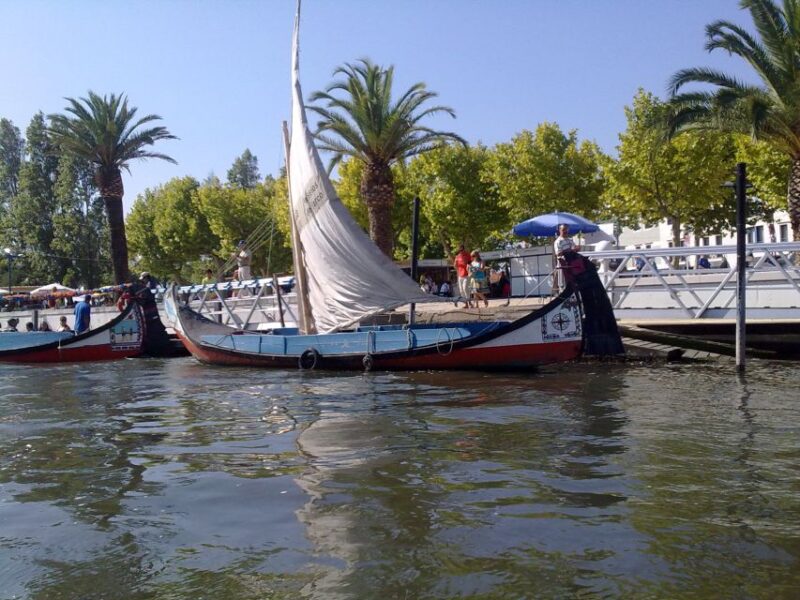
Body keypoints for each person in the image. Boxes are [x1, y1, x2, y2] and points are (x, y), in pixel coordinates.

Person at [453, 244, 473, 308]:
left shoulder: (467, 255)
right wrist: (455, 265)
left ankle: (469, 302)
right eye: (459, 250)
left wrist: (469, 270)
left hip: (466, 275)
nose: (461, 251)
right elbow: (455, 265)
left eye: (462, 249)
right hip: (460, 275)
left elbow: (470, 264)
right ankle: (466, 304)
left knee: (465, 289)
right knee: (461, 290)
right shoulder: (457, 256)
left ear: (464, 249)